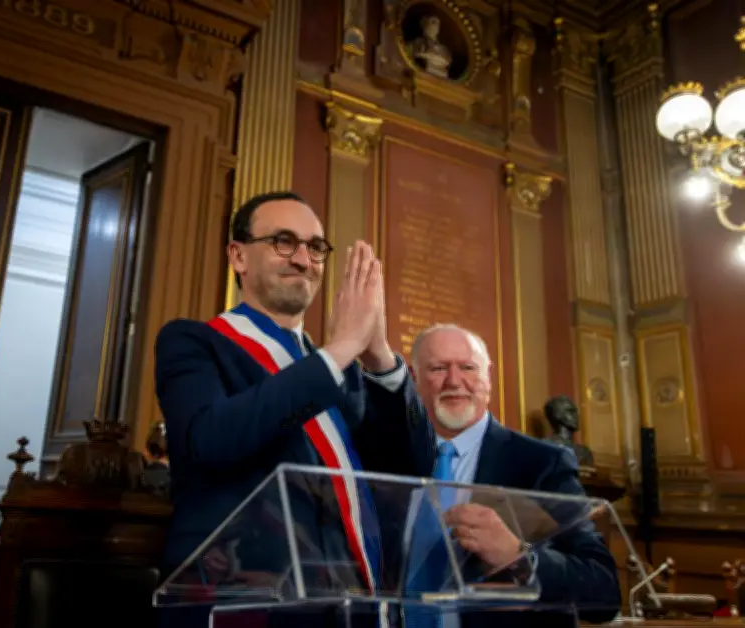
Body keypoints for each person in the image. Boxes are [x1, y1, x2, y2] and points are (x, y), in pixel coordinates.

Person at [155, 191, 435, 627]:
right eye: (283, 241)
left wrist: (378, 354)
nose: (303, 259)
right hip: (248, 603)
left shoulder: (342, 371)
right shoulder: (194, 343)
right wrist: (342, 347)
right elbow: (210, 440)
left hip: (349, 606)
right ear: (239, 255)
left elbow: (412, 466)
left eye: (315, 247)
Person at [406, 324, 621, 628]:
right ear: (414, 379)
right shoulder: (389, 457)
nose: (454, 381)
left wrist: (519, 558)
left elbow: (604, 590)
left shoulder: (542, 463)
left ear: (488, 377)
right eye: (438, 368)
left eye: (467, 367)